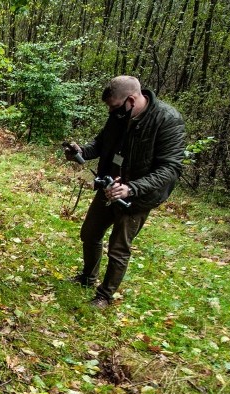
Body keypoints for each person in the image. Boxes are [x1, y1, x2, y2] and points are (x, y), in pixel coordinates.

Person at [64, 76, 185, 309]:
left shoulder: (167, 120)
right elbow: (101, 144)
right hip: (109, 187)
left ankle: (104, 297)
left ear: (131, 99)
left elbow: (170, 168)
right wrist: (81, 152)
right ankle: (87, 278)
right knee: (90, 233)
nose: (111, 111)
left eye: (114, 106)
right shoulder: (119, 115)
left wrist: (132, 188)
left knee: (119, 248)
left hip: (137, 197)